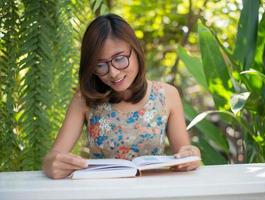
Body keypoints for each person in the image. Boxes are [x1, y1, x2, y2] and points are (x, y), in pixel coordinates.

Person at [43, 13, 201, 179]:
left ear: (136, 51)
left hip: (154, 192)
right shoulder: (84, 100)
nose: (113, 73)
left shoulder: (167, 95)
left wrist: (191, 155)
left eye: (119, 59)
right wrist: (53, 164)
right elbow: (51, 159)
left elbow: (184, 157)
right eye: (100, 65)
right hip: (103, 193)